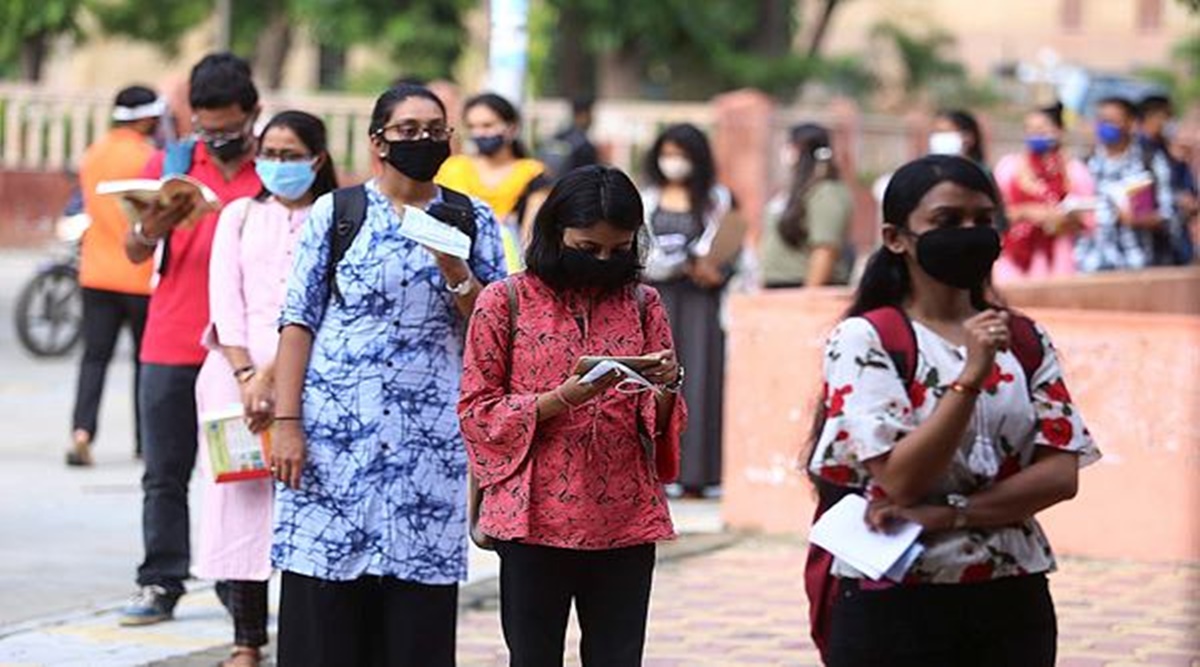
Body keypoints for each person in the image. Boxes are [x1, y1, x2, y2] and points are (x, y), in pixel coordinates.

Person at [807, 154, 1100, 667]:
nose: (970, 233)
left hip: (1012, 591)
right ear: (897, 238)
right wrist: (969, 376)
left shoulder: (1025, 338)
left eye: (983, 220)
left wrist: (946, 514)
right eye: (946, 222)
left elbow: (1060, 474)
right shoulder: (866, 340)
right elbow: (900, 480)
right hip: (897, 596)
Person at [269, 84, 506, 667]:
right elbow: (298, 320)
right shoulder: (338, 212)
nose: (422, 140)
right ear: (378, 141)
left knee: (415, 614)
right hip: (331, 441)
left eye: (434, 130)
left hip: (427, 447)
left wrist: (455, 269)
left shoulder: (472, 218)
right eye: (407, 130)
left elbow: (496, 331)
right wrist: (286, 423)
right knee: (323, 601)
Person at [458, 165, 686, 667]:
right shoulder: (504, 301)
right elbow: (477, 411)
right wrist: (561, 398)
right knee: (533, 656)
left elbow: (658, 422)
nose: (604, 261)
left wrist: (666, 385)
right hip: (532, 517)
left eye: (619, 250)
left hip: (624, 515)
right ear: (554, 232)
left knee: (618, 657)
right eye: (587, 249)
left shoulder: (644, 303)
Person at [119, 53, 264, 627]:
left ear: (253, 114)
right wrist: (146, 229)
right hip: (170, 340)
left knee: (236, 474)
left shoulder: (274, 169)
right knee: (163, 470)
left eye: (229, 127)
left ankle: (238, 584)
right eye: (207, 127)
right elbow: (135, 252)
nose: (217, 137)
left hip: (241, 351)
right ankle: (160, 579)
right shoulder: (172, 162)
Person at [194, 111, 337, 667]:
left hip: (309, 378)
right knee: (241, 506)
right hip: (233, 381)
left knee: (307, 498)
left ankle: (308, 636)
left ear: (317, 159)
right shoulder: (239, 216)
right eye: (269, 154)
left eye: (290, 154)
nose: (278, 165)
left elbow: (321, 303)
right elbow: (223, 298)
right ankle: (247, 641)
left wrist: (275, 376)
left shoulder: (333, 216)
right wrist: (246, 375)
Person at [68, 85, 162, 467]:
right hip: (139, 277)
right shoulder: (149, 158)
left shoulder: (94, 153)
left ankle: (81, 431)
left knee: (94, 358)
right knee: (145, 362)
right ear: (144, 118)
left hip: (95, 273)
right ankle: (145, 442)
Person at [641, 123, 735, 497]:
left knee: (698, 379)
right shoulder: (647, 197)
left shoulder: (718, 200)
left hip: (700, 302)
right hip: (654, 299)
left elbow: (735, 249)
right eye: (668, 154)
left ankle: (696, 473)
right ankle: (650, 470)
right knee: (652, 380)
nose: (674, 163)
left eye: (681, 155)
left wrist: (716, 269)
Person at [436, 92, 545, 273]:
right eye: (472, 126)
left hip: (509, 271)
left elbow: (531, 237)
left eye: (488, 125)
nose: (479, 133)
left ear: (511, 128)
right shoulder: (452, 169)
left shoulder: (531, 173)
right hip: (455, 267)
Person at [993, 102, 1096, 283]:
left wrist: (1059, 219)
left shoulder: (1074, 171)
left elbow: (1088, 220)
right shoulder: (1008, 168)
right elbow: (995, 212)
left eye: (1041, 129)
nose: (1035, 135)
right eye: (1030, 130)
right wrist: (1026, 212)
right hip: (1014, 262)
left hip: (1059, 260)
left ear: (1059, 131)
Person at [1077, 96, 1175, 272]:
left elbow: (1169, 214)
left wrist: (1138, 219)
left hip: (1136, 263)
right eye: (1101, 120)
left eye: (1112, 121)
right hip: (1090, 264)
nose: (1104, 126)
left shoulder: (1150, 162)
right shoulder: (1085, 165)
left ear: (1131, 123)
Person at [760, 123, 853, 289]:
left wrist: (808, 295)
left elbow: (825, 249)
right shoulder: (794, 190)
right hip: (779, 288)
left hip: (803, 288)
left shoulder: (826, 191)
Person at [1138, 94, 1197, 265]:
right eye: (1166, 116)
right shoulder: (1137, 152)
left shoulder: (1169, 152)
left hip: (1175, 236)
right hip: (1149, 241)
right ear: (1151, 116)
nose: (1170, 122)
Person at [538, 96, 600, 180]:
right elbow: (590, 180)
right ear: (583, 115)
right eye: (591, 114)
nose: (592, 119)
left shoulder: (557, 137)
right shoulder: (585, 146)